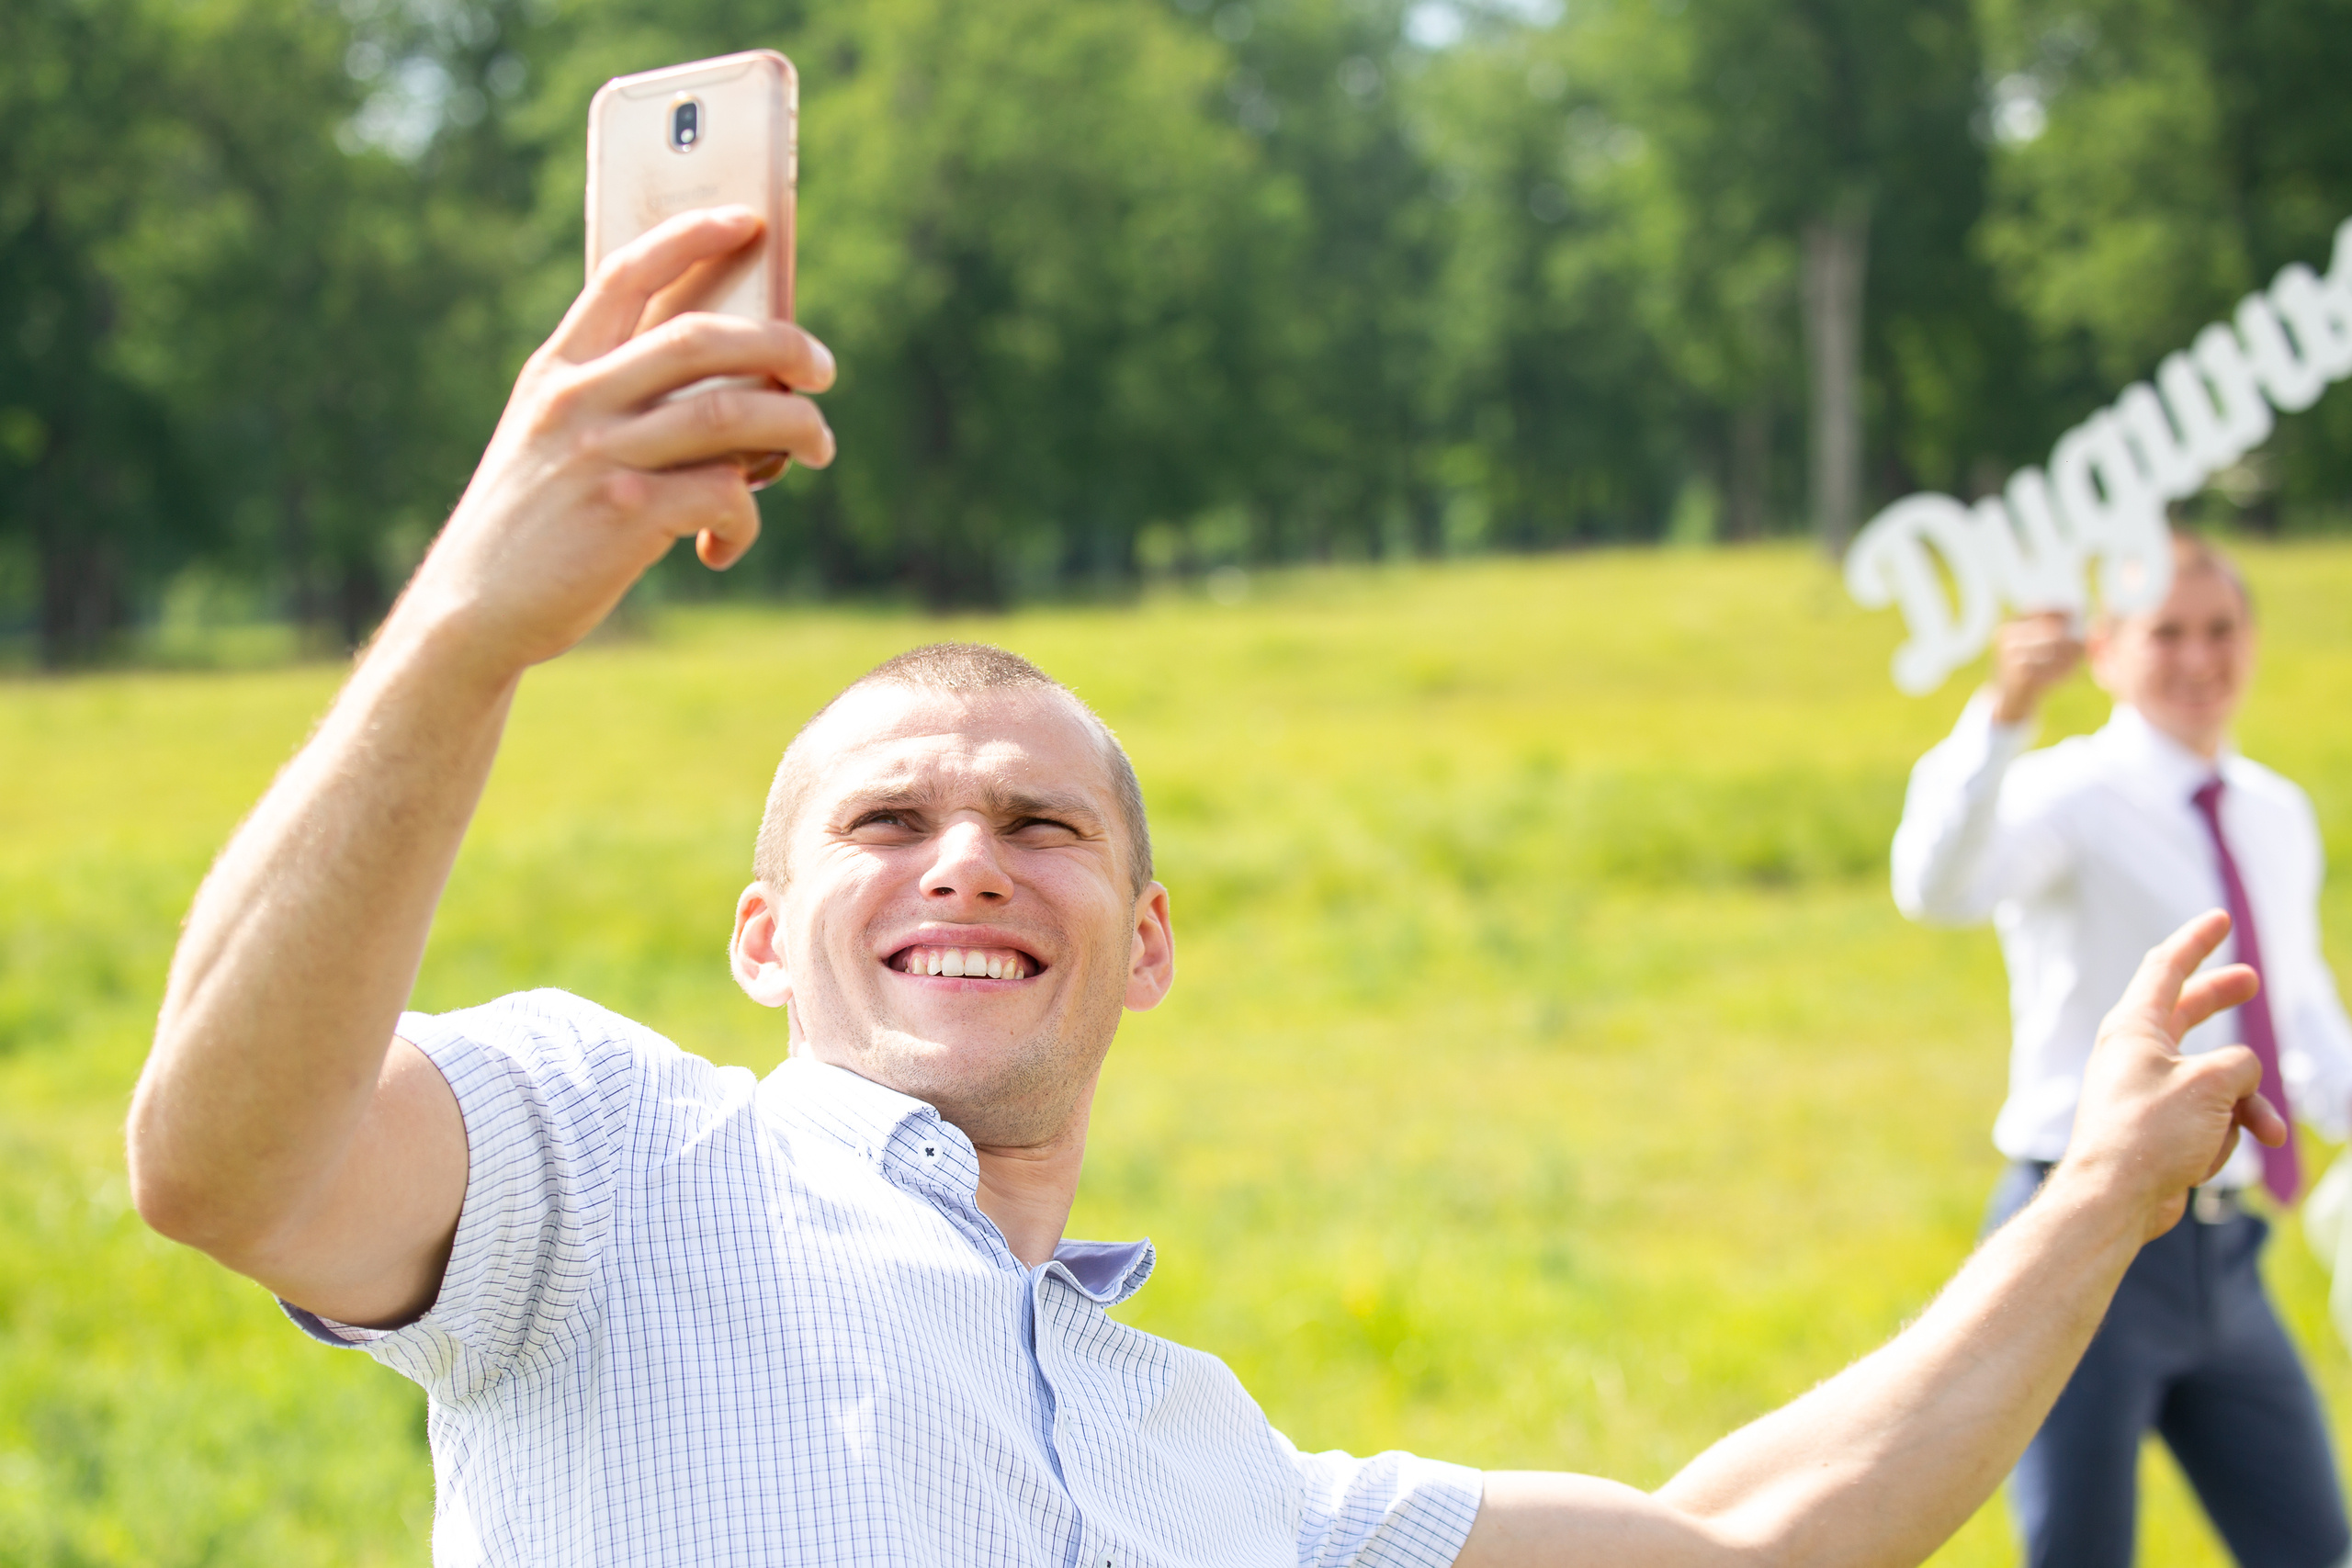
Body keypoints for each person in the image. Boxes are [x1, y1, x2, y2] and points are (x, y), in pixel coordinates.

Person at [129, 206, 2288, 1568]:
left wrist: (2096, 1193)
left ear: (1140, 941)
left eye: (1042, 823)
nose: (965, 848)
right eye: (883, 822)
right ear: (761, 935)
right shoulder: (608, 1167)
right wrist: (472, 628)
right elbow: (227, 1152)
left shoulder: (1215, 1469)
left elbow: (1740, 1539)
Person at [1893, 534, 2352, 1568]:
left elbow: (2301, 1018)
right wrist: (2001, 717)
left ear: (2254, 640)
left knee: (2314, 1549)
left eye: (2220, 630)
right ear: (2104, 649)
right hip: (2084, 1237)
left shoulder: (2274, 811)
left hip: (2225, 1253)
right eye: (2166, 634)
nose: (2198, 659)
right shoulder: (2069, 794)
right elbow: (1936, 887)